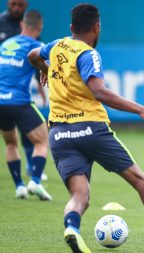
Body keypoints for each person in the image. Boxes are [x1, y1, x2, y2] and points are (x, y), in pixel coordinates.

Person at [28, 4, 144, 253]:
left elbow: (33, 56)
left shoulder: (56, 46)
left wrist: (45, 69)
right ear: (97, 27)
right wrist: (141, 109)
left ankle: (72, 228)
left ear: (71, 27)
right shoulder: (88, 54)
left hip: (60, 134)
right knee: (139, 180)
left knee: (80, 195)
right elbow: (99, 92)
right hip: (91, 129)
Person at [0, 10, 51, 200]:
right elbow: (46, 68)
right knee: (42, 141)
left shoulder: (5, 44)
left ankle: (19, 187)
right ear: (39, 28)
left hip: (0, 102)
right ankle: (35, 181)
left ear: (22, 25)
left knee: (11, 143)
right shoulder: (37, 46)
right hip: (18, 101)